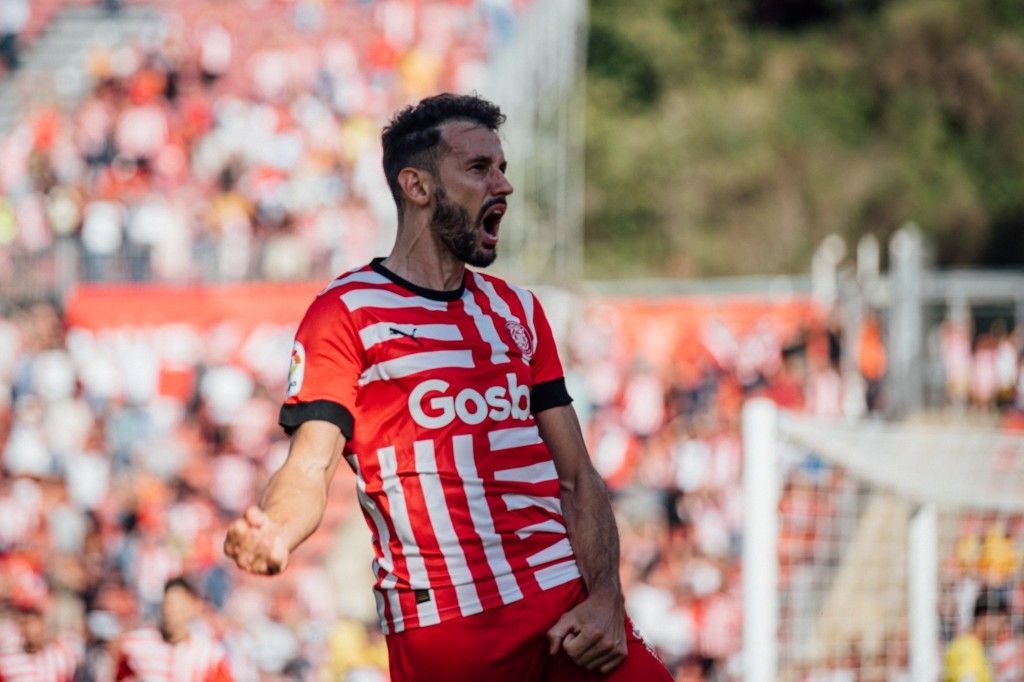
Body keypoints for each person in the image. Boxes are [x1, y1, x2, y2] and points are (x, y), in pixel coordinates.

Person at [225, 93, 671, 681]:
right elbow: (310, 468)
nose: (503, 186)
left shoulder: (519, 310)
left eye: (503, 168)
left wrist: (609, 598)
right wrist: (276, 530)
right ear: (417, 187)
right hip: (451, 631)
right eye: (479, 168)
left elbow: (578, 476)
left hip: (568, 614)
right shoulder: (347, 312)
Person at [115, 576, 233, 681]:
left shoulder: (208, 654)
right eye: (169, 603)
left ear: (193, 607)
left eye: (178, 605)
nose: (172, 611)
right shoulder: (136, 645)